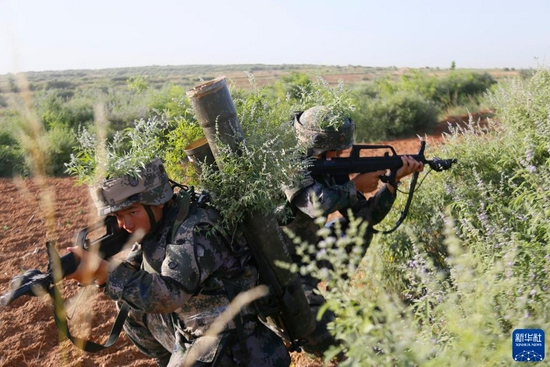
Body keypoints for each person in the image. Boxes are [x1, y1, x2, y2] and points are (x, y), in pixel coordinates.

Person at [66, 158, 291, 367]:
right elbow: (136, 271)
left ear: (158, 201)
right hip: (193, 326)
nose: (124, 223)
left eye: (131, 212)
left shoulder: (194, 230)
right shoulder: (159, 225)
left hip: (233, 342)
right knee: (131, 307)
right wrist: (97, 270)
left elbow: (167, 296)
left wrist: (107, 274)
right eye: (117, 217)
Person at [280, 105, 424, 357]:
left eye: (340, 149)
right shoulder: (287, 166)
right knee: (325, 341)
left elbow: (366, 218)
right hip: (276, 272)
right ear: (311, 144)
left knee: (359, 229)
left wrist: (393, 180)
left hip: (308, 256)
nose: (336, 155)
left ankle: (334, 299)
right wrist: (354, 186)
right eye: (330, 149)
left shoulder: (330, 166)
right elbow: (316, 204)